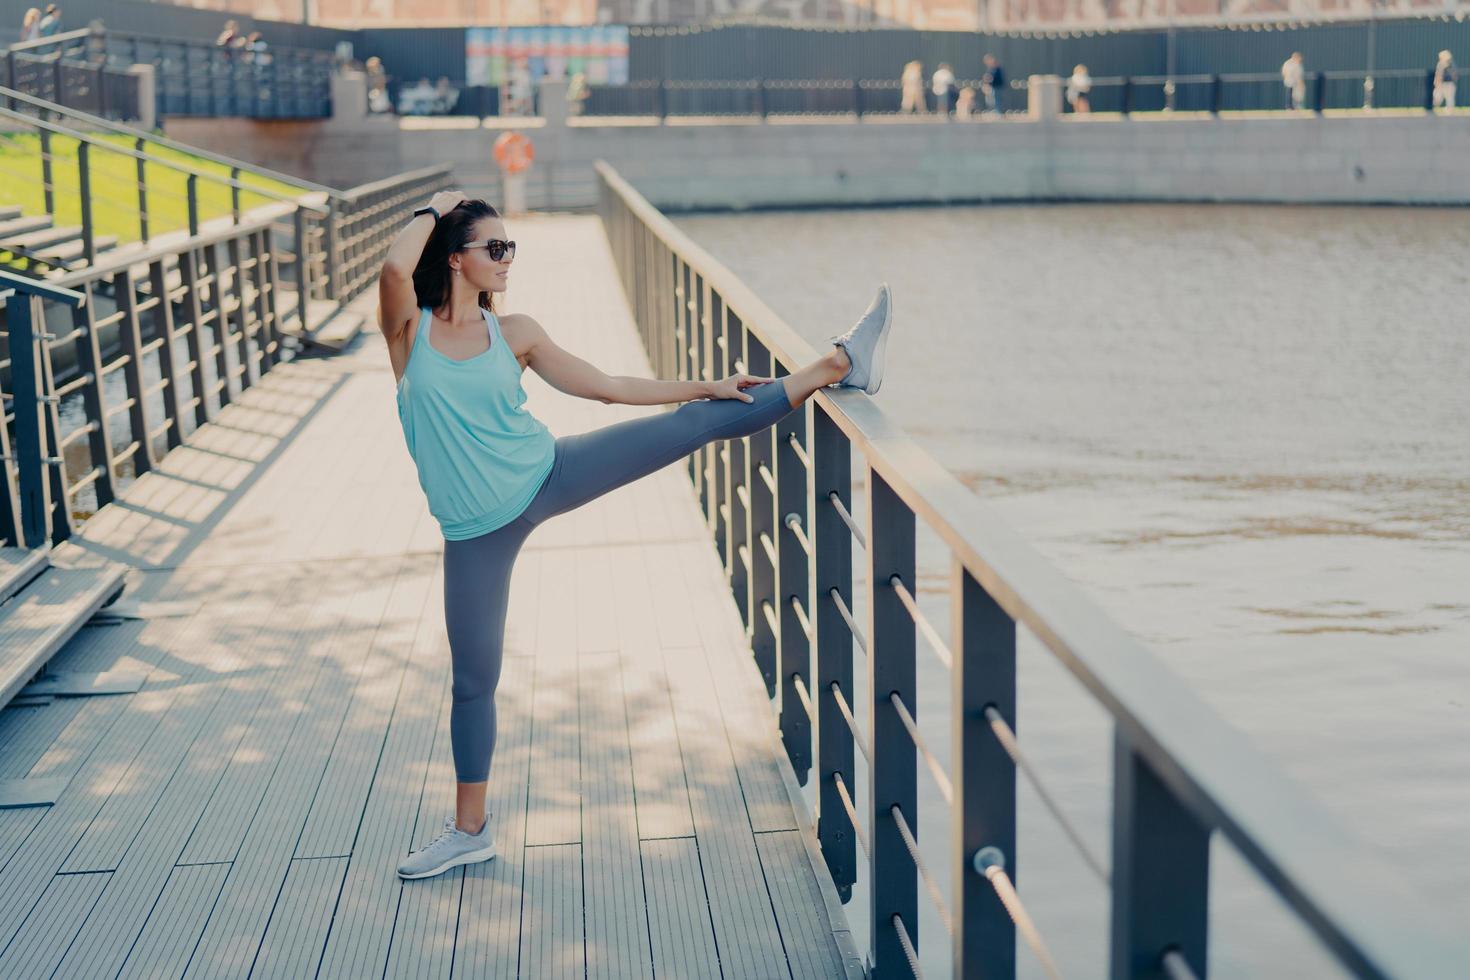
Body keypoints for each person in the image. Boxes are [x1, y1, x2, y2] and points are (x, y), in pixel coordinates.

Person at [382, 192, 896, 880]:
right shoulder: (409, 336)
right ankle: (470, 831)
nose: (508, 261)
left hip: (547, 473)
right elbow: (391, 273)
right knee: (474, 682)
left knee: (692, 423)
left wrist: (706, 384)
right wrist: (430, 208)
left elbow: (606, 387)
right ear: (454, 258)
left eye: (512, 248)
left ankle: (835, 363)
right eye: (495, 249)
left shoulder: (518, 333)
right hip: (475, 531)